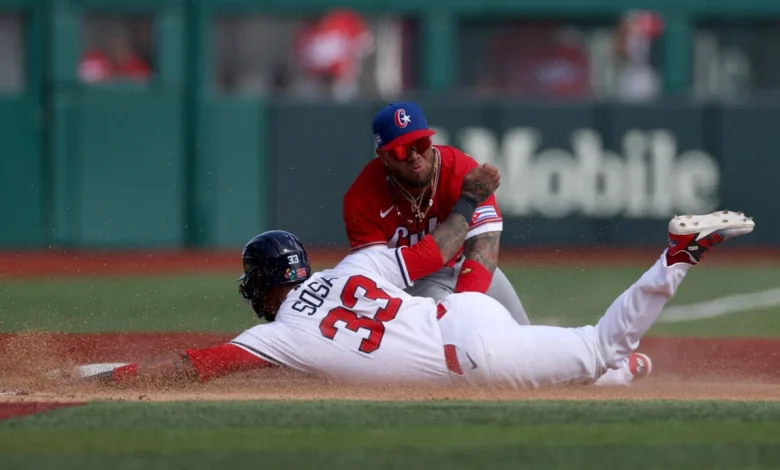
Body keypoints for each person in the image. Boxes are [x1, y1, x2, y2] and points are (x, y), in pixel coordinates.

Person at [74, 171, 755, 388]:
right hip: (466, 313)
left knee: (593, 350)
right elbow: (439, 251)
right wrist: (469, 208)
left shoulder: (280, 337)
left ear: (265, 282)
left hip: (471, 357)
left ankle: (676, 255)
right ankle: (626, 369)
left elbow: (194, 365)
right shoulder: (356, 264)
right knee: (587, 367)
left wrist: (112, 379)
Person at [343, 101, 531, 327]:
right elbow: (376, 276)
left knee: (521, 331)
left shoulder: (461, 169)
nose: (414, 155)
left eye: (420, 143)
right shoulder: (361, 198)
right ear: (383, 156)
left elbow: (484, 249)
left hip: (465, 263)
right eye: (401, 150)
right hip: (411, 282)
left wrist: (466, 303)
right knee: (449, 338)